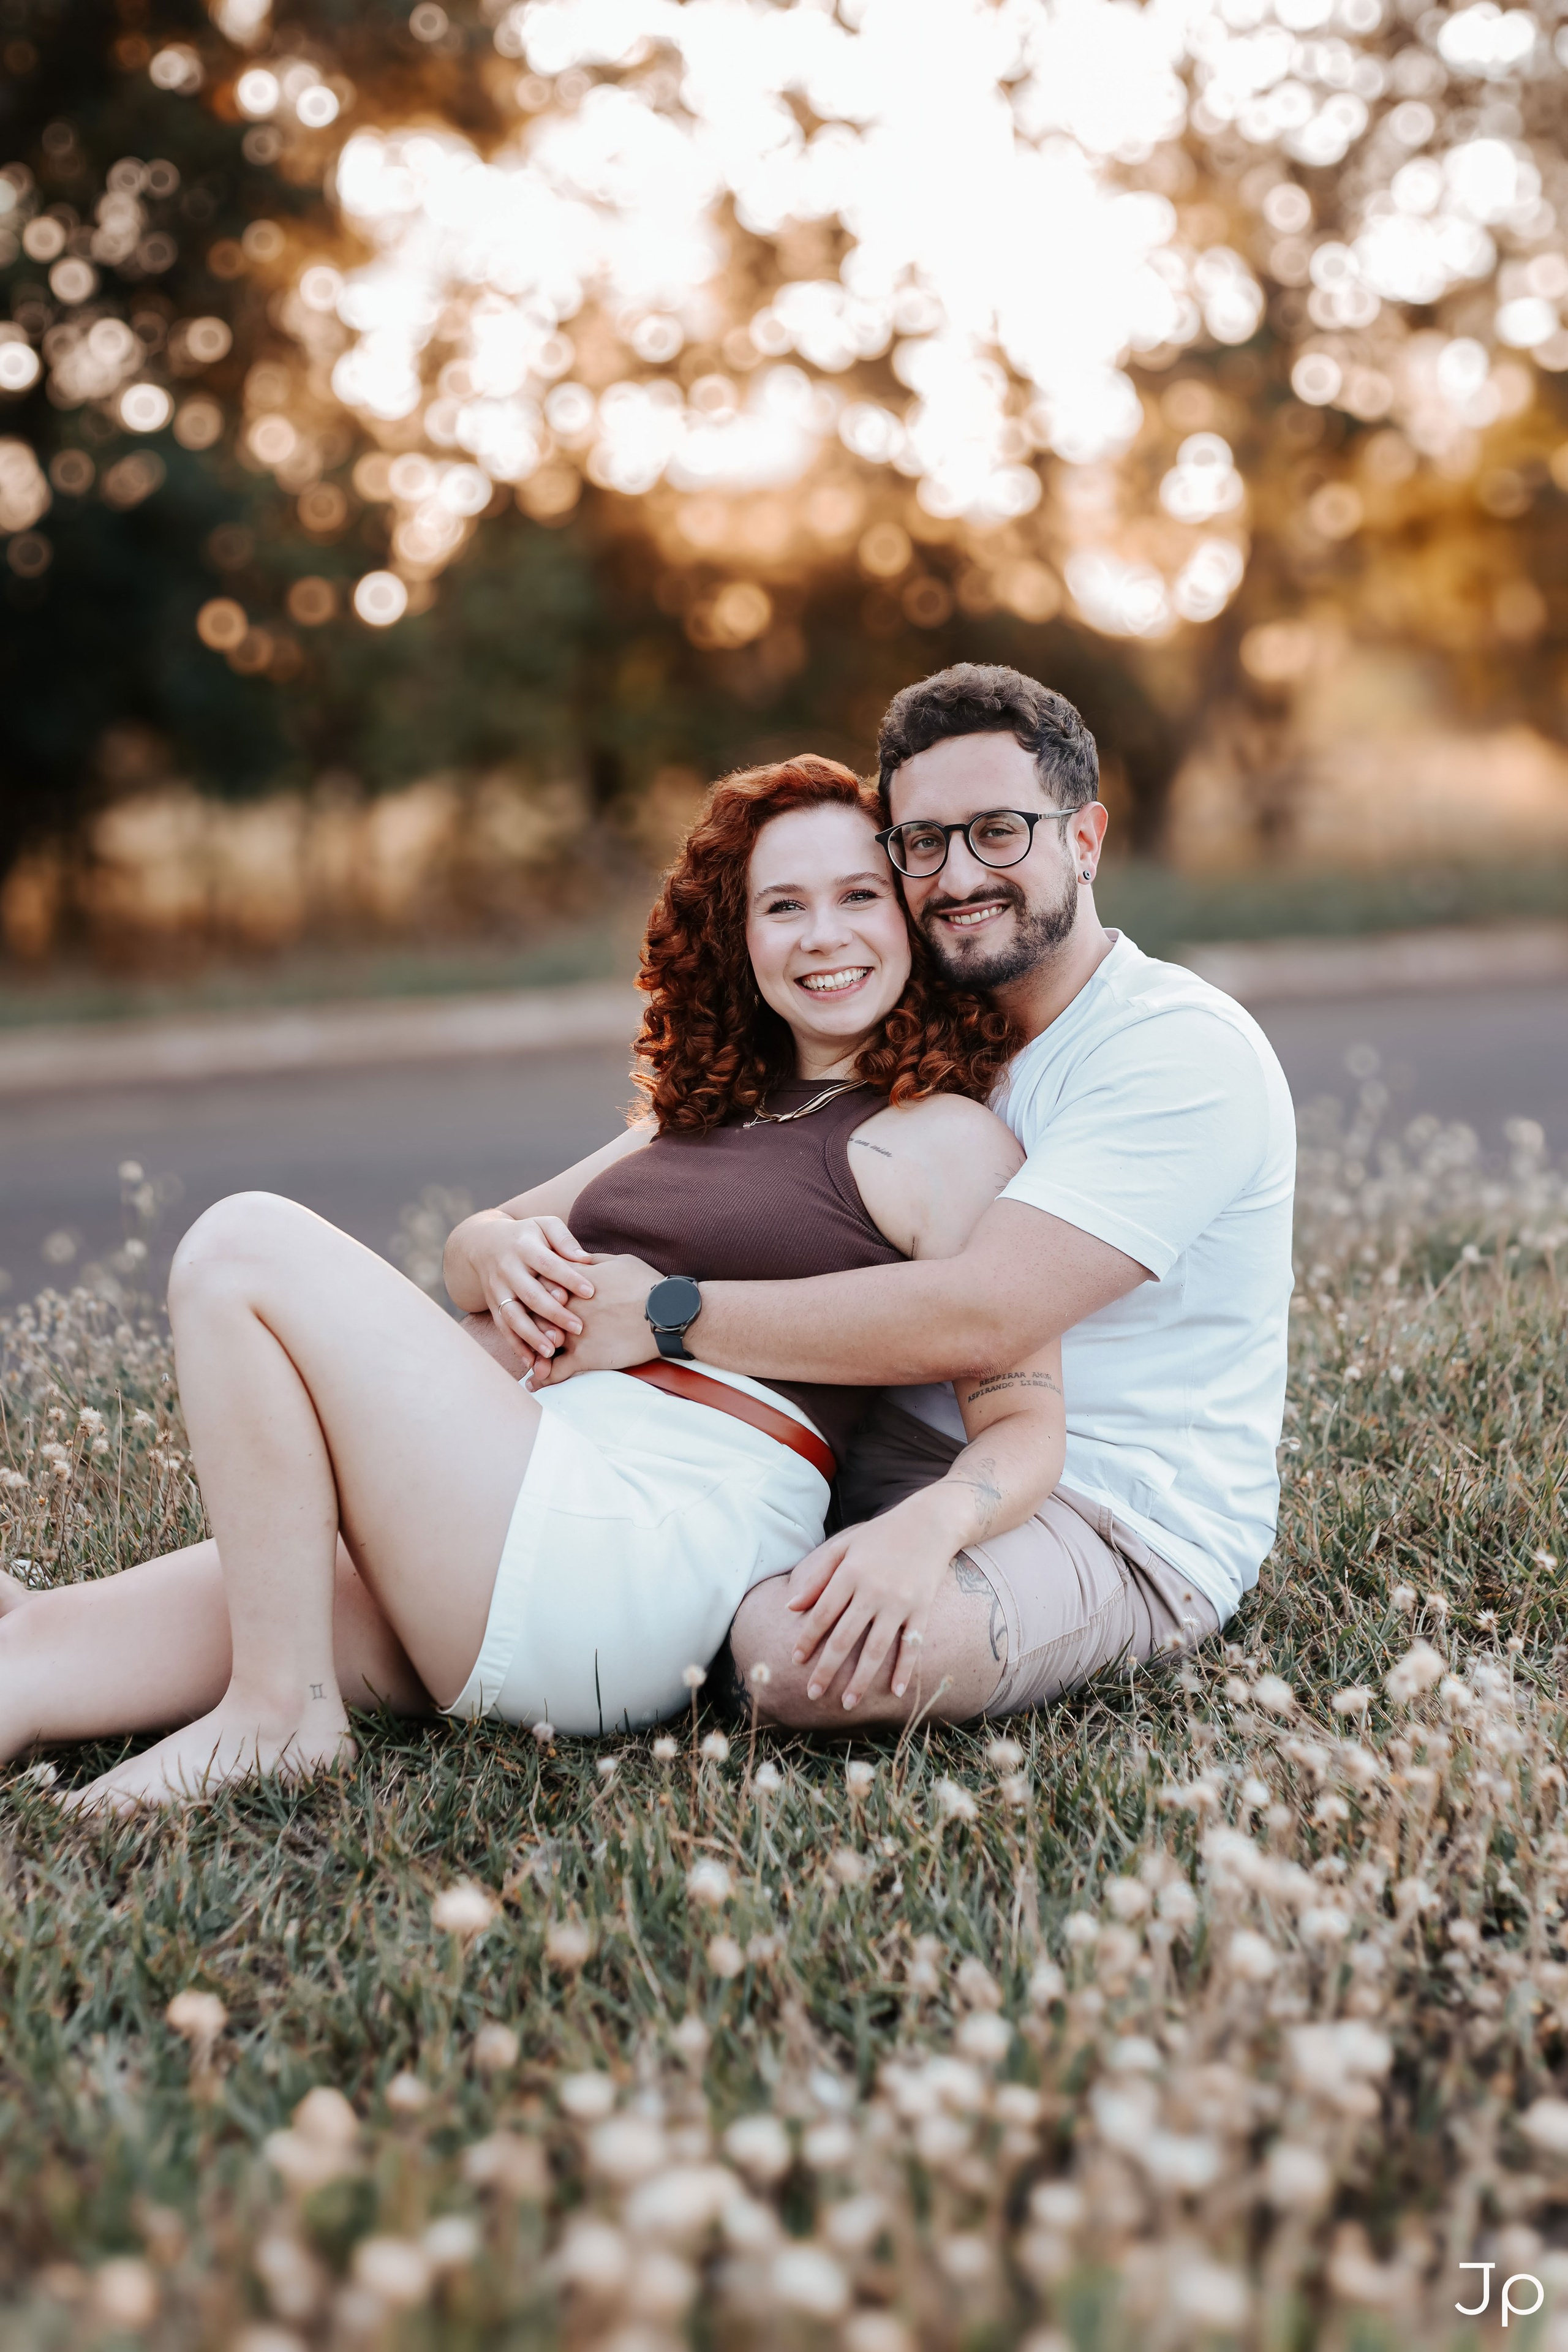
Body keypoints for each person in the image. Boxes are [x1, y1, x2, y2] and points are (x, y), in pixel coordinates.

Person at [0, 756, 1066, 1808]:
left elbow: (1024, 1427)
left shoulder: (944, 1141)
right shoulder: (699, 1114)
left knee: (243, 1244)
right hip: (512, 1496)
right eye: (783, 905)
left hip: (637, 1545)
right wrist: (490, 1246)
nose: (823, 935)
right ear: (741, 941)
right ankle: (216, 1681)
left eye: (858, 897)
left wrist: (930, 1527)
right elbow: (483, 1243)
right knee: (33, 1653)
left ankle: (281, 1713)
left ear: (910, 918)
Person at [511, 666, 1297, 1727]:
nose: (960, 874)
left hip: (1106, 1509)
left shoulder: (1172, 1048)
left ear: (1085, 839)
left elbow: (986, 1313)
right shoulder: (918, 1024)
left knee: (789, 1656)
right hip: (858, 1446)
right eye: (924, 842)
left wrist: (663, 1316)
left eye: (1001, 832)